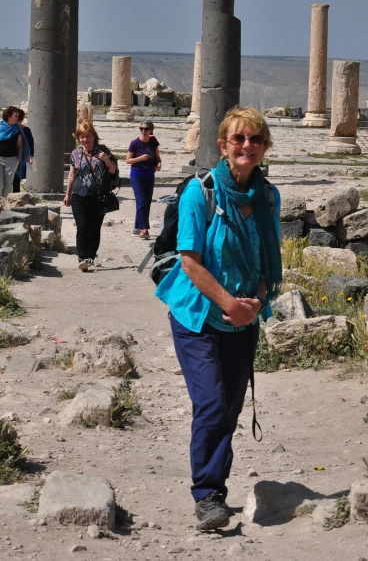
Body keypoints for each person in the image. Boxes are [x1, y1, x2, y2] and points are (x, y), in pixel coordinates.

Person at [155, 106, 282, 531]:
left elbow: (269, 260)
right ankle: (207, 495)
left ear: (264, 147)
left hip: (243, 315)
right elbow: (190, 261)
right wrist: (229, 302)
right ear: (223, 145)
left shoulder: (268, 196)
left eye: (255, 139)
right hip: (198, 314)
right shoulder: (200, 192)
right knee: (209, 403)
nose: (247, 146)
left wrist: (256, 301)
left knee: (228, 407)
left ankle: (216, 487)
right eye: (239, 139)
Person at [64, 120, 117, 272]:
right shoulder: (75, 153)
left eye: (87, 136)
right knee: (82, 226)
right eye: (82, 137)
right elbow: (72, 175)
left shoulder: (104, 151)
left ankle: (90, 257)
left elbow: (113, 171)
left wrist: (106, 159)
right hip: (79, 196)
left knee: (95, 228)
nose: (85, 140)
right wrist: (67, 194)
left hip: (99, 197)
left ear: (94, 136)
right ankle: (82, 257)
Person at [126, 119, 161, 239]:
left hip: (149, 174)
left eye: (146, 129)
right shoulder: (134, 143)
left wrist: (159, 164)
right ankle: (144, 229)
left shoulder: (153, 142)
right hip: (137, 174)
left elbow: (157, 157)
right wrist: (140, 158)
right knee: (140, 201)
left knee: (146, 202)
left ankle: (136, 228)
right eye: (141, 128)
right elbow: (128, 160)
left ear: (151, 130)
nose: (143, 131)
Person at [12, 110, 34, 193]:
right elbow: (31, 145)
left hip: (20, 158)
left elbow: (30, 144)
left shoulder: (26, 130)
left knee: (16, 179)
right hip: (15, 157)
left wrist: (30, 156)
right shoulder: (12, 129)